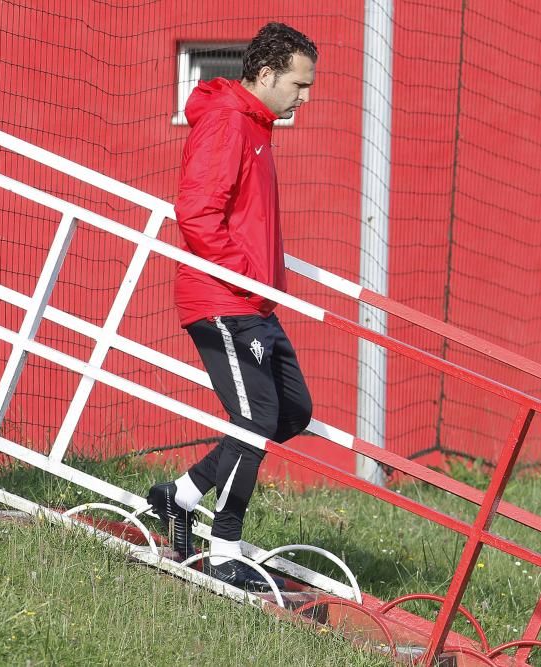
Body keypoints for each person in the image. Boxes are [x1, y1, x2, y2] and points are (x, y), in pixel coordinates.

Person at [147, 22, 317, 591]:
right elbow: (196, 212)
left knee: (291, 413)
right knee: (254, 419)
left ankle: (180, 496)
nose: (305, 96)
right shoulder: (226, 122)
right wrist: (245, 277)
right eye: (298, 83)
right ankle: (224, 549)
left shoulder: (257, 125)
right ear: (266, 74)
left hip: (253, 302)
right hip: (224, 297)